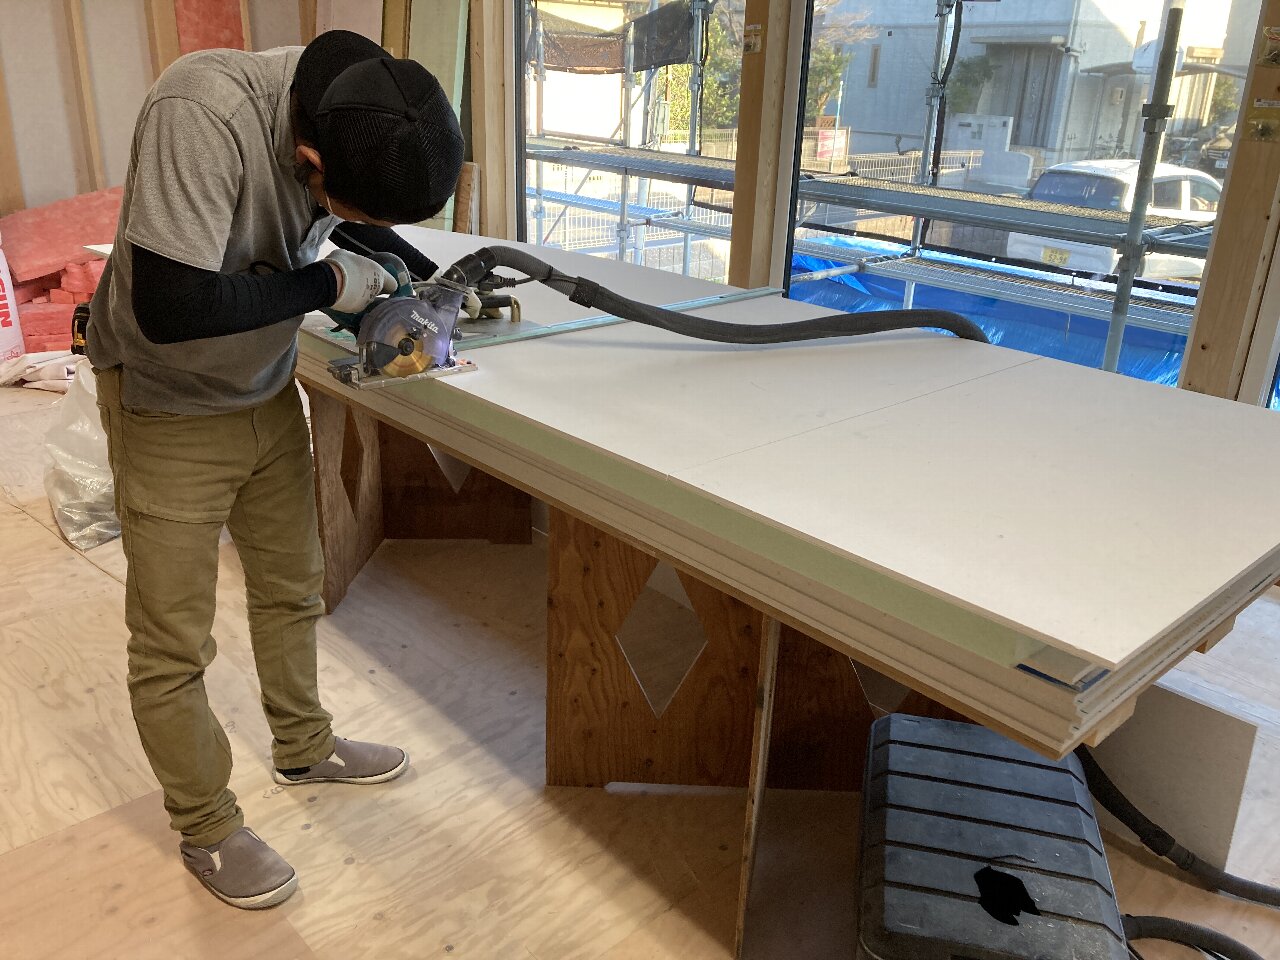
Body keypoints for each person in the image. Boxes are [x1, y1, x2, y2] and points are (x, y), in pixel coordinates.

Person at [85, 30, 464, 910]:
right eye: (338, 201)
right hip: (168, 404)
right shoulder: (200, 112)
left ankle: (304, 747)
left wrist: (422, 276)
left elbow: (351, 219)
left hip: (263, 388)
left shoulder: (359, 98)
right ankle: (207, 825)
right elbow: (171, 305)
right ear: (309, 158)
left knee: (292, 587)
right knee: (173, 643)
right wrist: (331, 285)